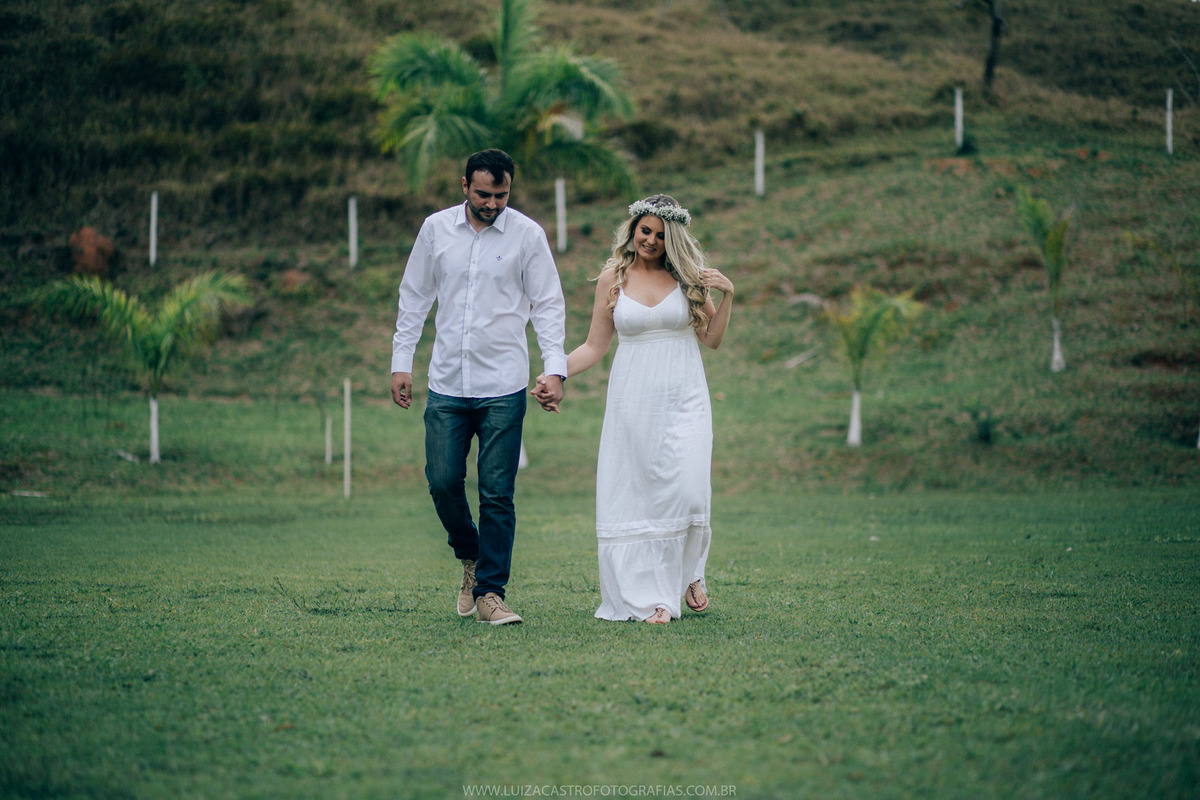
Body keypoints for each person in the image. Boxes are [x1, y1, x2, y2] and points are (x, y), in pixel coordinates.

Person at [534, 194, 734, 624]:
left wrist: (728, 295)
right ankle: (658, 599)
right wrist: (555, 372)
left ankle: (690, 574)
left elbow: (712, 339)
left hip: (685, 397)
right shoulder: (614, 277)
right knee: (643, 497)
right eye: (645, 231)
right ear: (633, 229)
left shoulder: (688, 278)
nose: (651, 241)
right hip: (633, 401)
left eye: (661, 235)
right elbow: (594, 346)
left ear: (673, 238)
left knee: (689, 490)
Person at [391, 149, 567, 626]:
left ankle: (491, 592)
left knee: (497, 494)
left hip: (503, 385)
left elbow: (548, 304)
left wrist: (555, 368)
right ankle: (470, 554)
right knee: (443, 482)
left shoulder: (528, 235)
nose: (492, 203)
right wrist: (401, 362)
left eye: (502, 195)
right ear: (464, 185)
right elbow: (414, 296)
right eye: (484, 194)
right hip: (447, 383)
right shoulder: (435, 229)